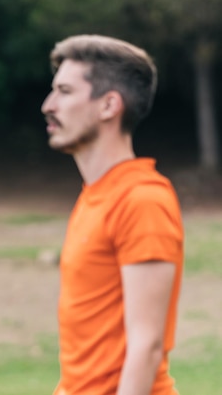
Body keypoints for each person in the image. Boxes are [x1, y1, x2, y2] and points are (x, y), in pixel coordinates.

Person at [41, 34, 184, 395]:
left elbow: (146, 346)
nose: (48, 104)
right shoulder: (94, 196)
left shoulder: (142, 200)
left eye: (65, 91)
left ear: (109, 106)